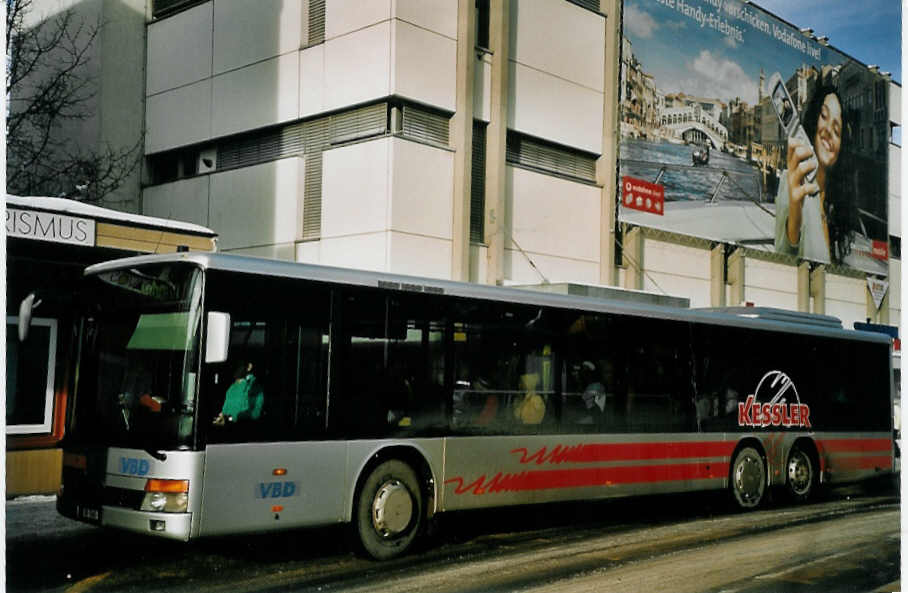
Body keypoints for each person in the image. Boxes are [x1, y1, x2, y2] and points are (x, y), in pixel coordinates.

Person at [774, 85, 850, 263]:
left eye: (837, 130)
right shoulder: (793, 181)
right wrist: (794, 210)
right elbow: (783, 253)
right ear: (813, 121)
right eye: (824, 116)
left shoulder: (834, 204)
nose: (829, 130)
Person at [213, 361, 263, 425]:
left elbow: (255, 413)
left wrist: (230, 418)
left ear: (249, 367)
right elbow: (225, 410)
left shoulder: (254, 387)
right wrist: (221, 417)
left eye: (240, 364)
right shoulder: (232, 387)